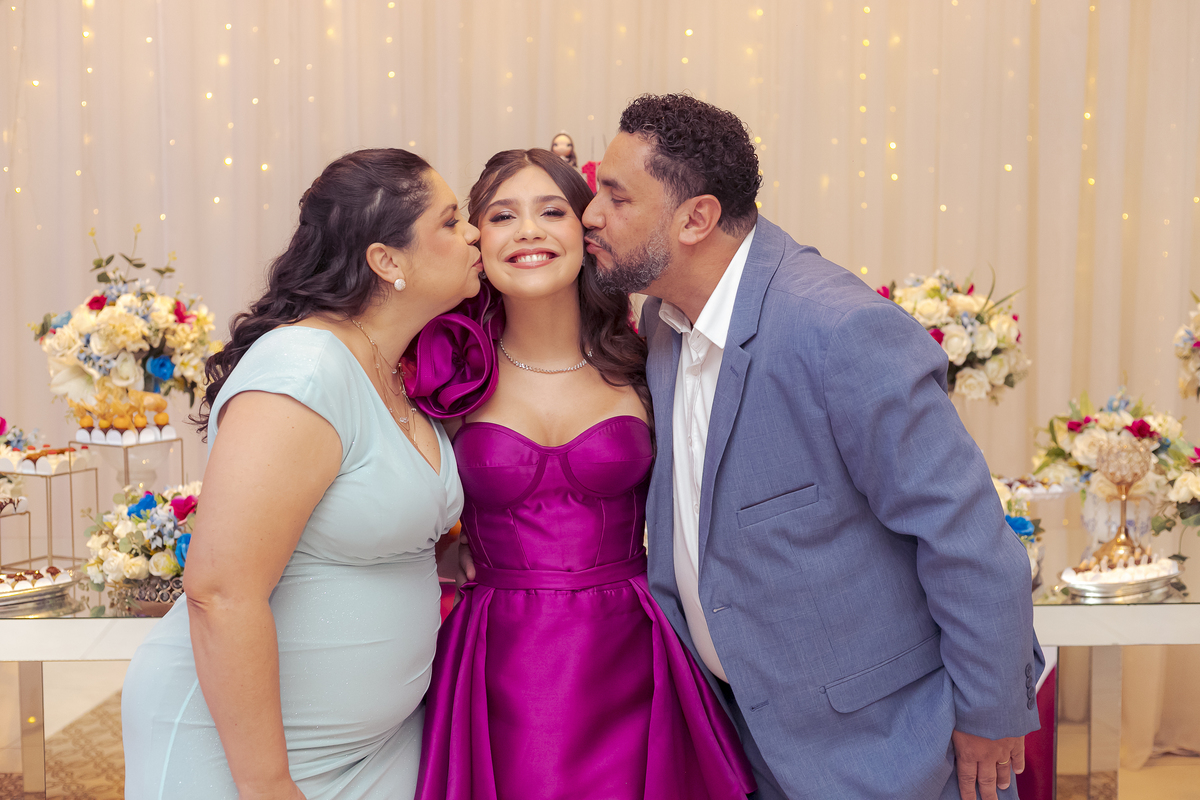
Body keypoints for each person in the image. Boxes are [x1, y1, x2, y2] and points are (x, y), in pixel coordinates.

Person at [579, 94, 1043, 800]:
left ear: (696, 219)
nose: (590, 214)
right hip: (750, 740)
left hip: (893, 749)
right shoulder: (665, 323)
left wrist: (991, 713)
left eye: (616, 197)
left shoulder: (840, 330)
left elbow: (967, 539)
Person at [122, 148, 483, 800]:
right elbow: (221, 590)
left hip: (375, 749)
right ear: (387, 261)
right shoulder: (305, 366)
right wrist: (267, 784)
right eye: (451, 221)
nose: (475, 234)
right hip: (250, 759)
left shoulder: (391, 374)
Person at [414, 148, 755, 800]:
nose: (528, 231)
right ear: (476, 240)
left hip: (634, 654)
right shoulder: (449, 375)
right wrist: (452, 551)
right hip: (499, 663)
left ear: (587, 228)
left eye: (551, 212)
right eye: (502, 215)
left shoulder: (650, 362)